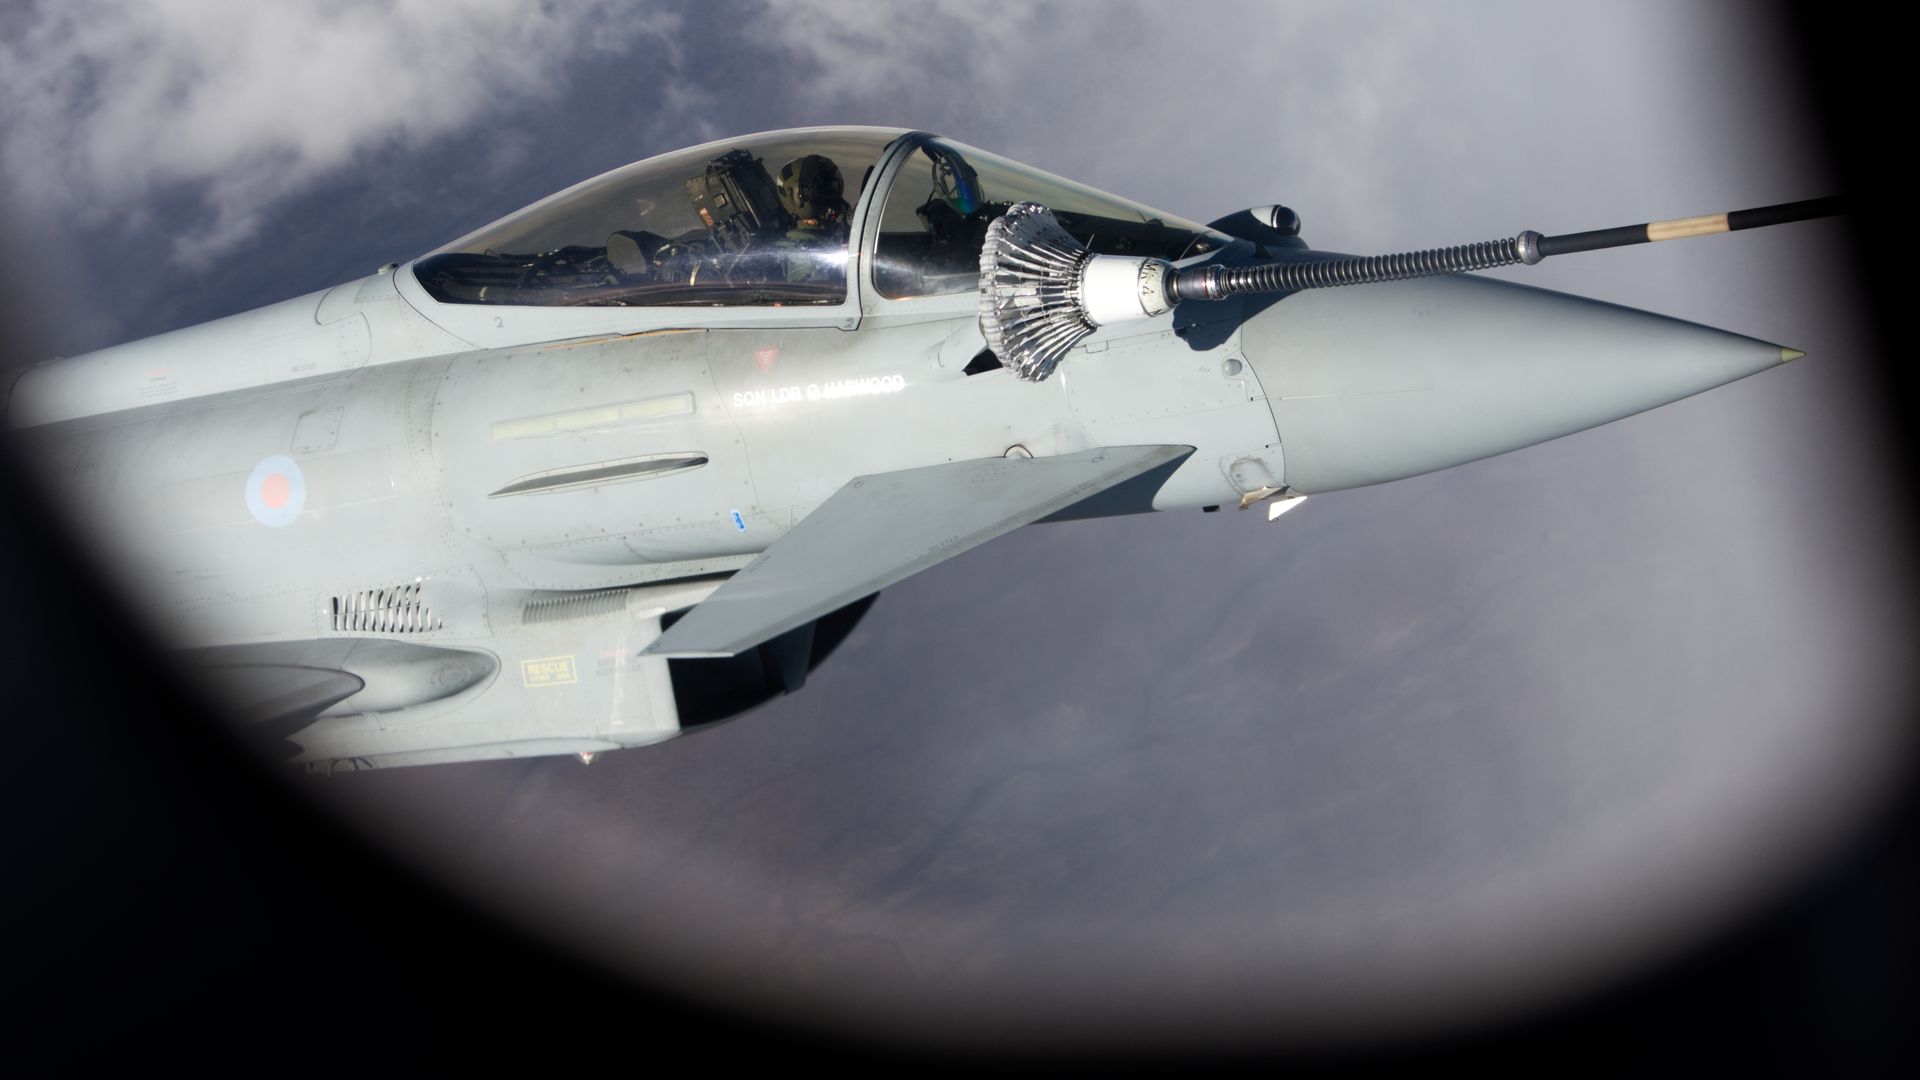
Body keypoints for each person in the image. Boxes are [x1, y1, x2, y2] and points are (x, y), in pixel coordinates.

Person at [773, 154, 851, 284]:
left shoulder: (834, 234)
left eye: (831, 189)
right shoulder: (806, 255)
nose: (830, 198)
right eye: (822, 192)